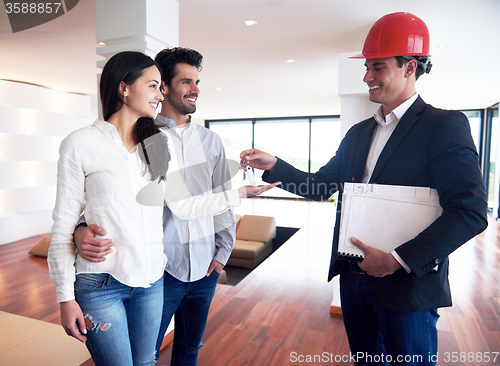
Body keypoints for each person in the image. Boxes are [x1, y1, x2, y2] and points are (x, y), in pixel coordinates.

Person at [241, 12, 488, 366]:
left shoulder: (444, 126)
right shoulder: (359, 132)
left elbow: (469, 211)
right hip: (354, 279)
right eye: (367, 67)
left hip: (406, 284)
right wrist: (275, 166)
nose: (367, 76)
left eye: (378, 66)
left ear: (410, 68)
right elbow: (321, 186)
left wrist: (396, 261)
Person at [48, 51, 278, 366]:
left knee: (147, 362)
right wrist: (65, 294)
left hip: (151, 280)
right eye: (153, 85)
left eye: (160, 86)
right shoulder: (81, 143)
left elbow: (184, 206)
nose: (160, 94)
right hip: (100, 283)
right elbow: (64, 223)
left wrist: (240, 193)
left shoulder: (158, 143)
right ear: (123, 88)